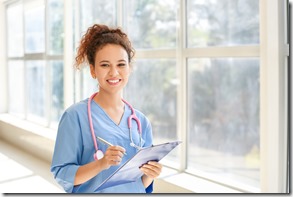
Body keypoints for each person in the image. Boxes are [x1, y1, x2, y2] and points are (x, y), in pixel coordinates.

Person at [50, 24, 162, 193]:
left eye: (121, 64)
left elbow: (139, 185)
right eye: (104, 65)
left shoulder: (141, 121)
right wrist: (101, 164)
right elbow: (62, 174)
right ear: (93, 70)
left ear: (129, 68)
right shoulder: (75, 117)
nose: (114, 72)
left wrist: (151, 174)